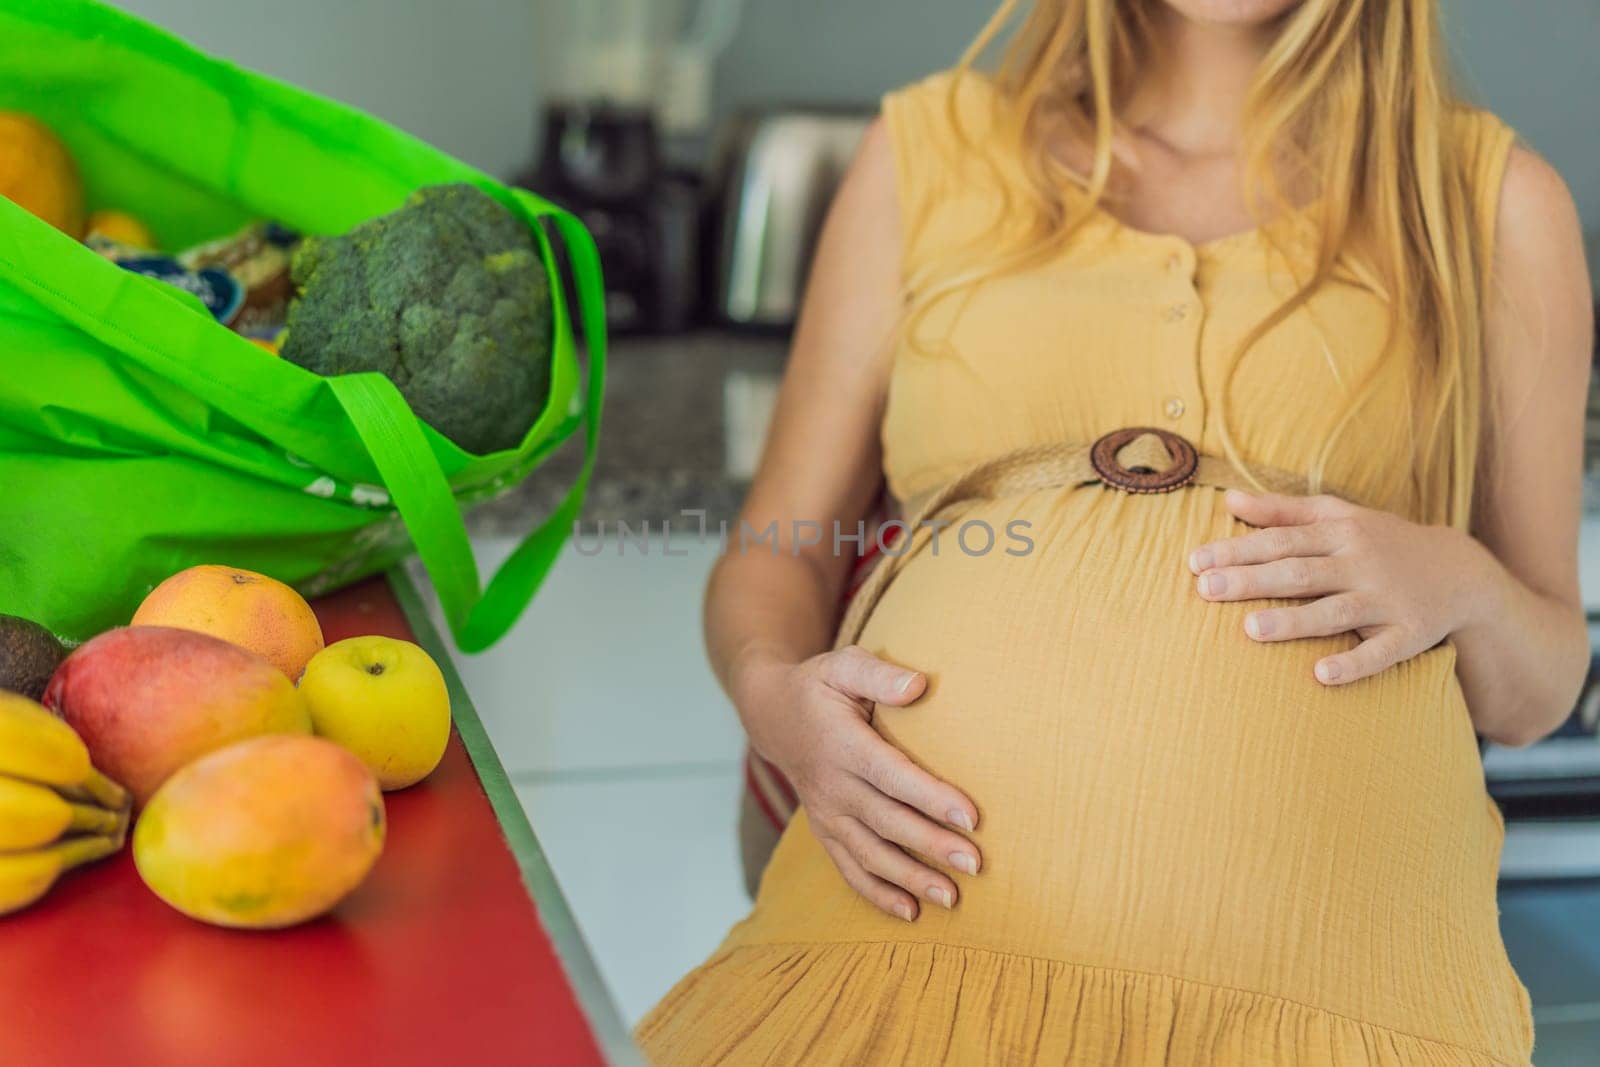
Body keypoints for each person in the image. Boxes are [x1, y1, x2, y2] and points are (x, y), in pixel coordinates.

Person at [640, 0, 1593, 1062]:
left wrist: (1460, 577)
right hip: (906, 945)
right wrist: (775, 697)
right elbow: (780, 547)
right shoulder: (929, 151)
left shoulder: (1492, 202)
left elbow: (1539, 681)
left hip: (1339, 995)